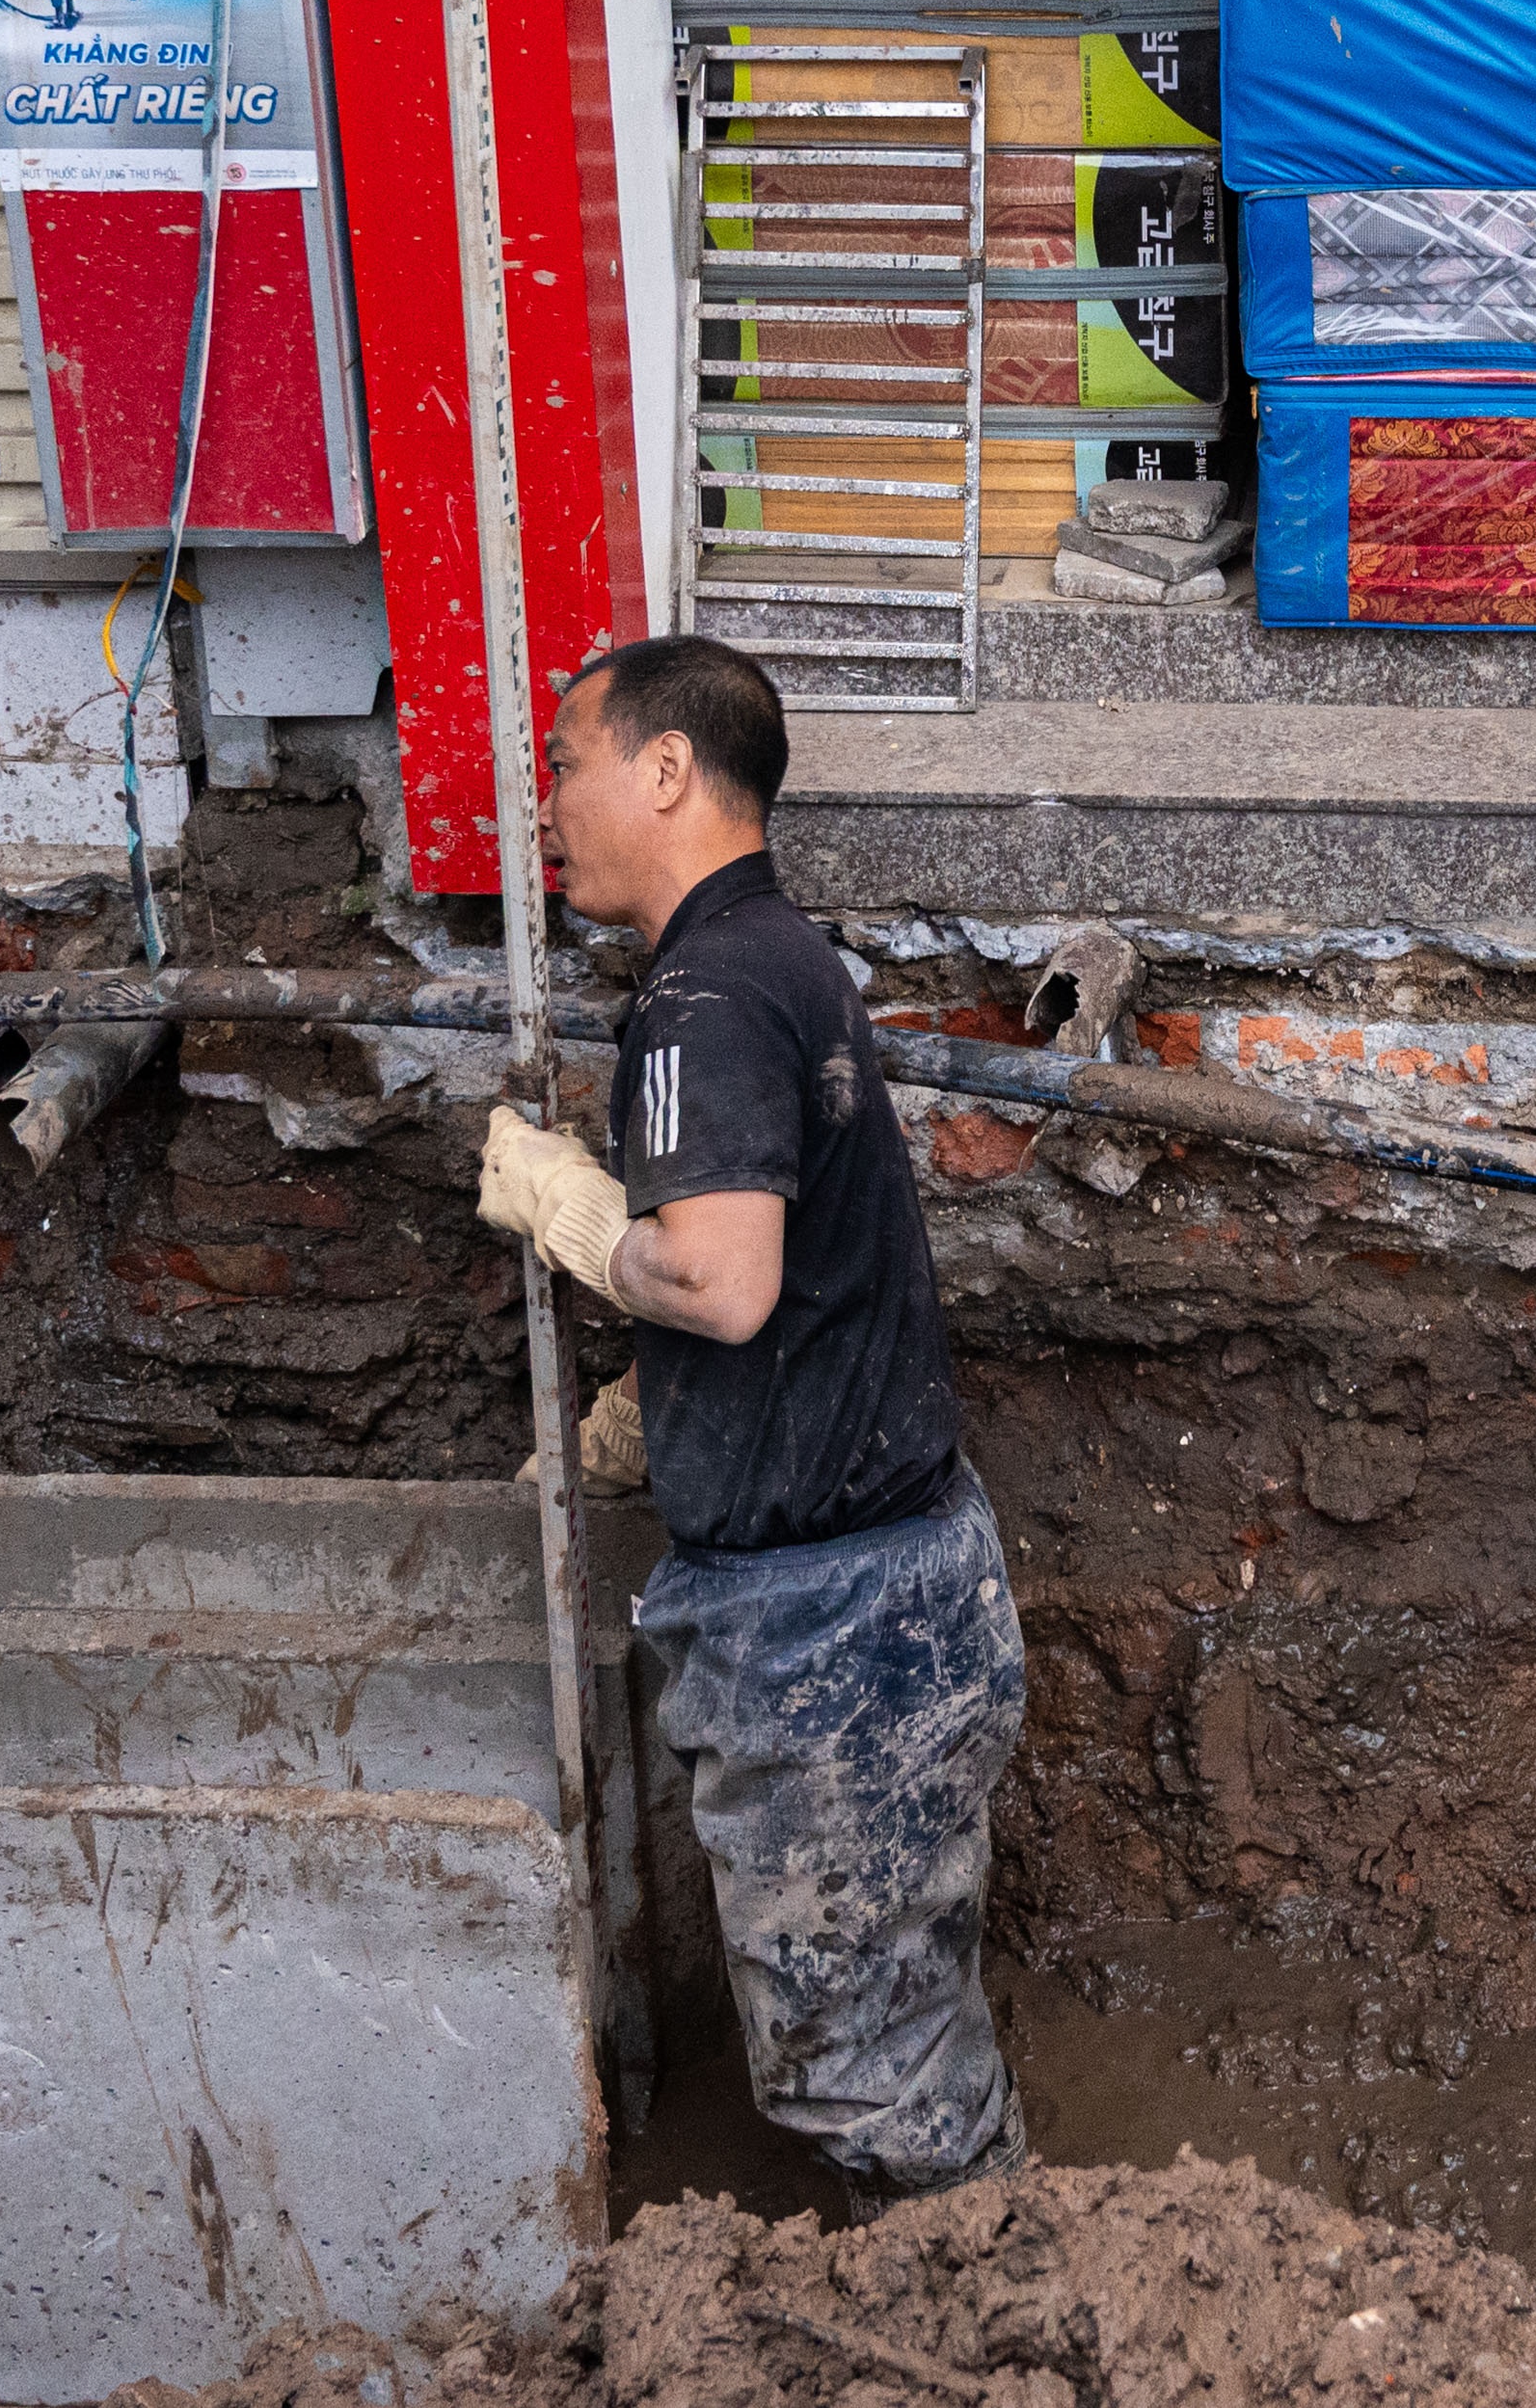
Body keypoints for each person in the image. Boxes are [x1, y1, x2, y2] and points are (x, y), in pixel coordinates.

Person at [473, 634, 1028, 2193]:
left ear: (665, 769)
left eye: (567, 759)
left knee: (874, 2077)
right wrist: (653, 1420)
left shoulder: (704, 992)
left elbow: (721, 1280)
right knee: (903, 2036)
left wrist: (574, 1211)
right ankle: (991, 2285)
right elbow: (809, 1293)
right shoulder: (782, 961)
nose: (548, 802)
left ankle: (980, 2330)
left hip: (833, 1635)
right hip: (900, 1591)